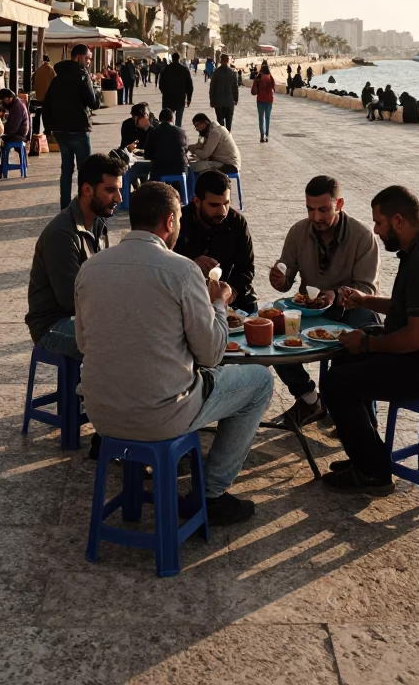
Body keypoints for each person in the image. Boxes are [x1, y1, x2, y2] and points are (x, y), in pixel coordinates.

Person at [74, 181, 273, 525]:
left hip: (102, 413)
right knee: (259, 382)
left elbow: (84, 344)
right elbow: (211, 354)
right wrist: (219, 304)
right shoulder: (182, 270)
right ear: (169, 222)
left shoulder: (90, 268)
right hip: (159, 414)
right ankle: (211, 493)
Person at [320, 185, 419, 494]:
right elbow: (407, 309)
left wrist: (368, 344)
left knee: (336, 383)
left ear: (398, 221)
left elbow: (418, 337)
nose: (376, 231)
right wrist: (366, 301)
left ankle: (374, 472)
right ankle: (365, 453)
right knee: (345, 352)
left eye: (379, 223)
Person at [268, 175, 381, 427]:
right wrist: (279, 277)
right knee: (272, 330)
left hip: (353, 310)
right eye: (310, 209)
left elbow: (367, 289)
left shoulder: (362, 236)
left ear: (339, 204)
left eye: (323, 210)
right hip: (311, 312)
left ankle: (358, 419)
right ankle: (309, 400)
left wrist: (336, 295)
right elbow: (286, 280)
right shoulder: (298, 232)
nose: (316, 217)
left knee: (359, 339)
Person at [26, 153, 122, 360]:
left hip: (82, 317)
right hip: (52, 325)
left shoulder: (98, 222)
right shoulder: (61, 234)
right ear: (87, 190)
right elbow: (71, 300)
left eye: (119, 189)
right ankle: (92, 393)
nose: (119, 198)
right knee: (119, 339)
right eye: (110, 190)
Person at [176, 170, 257, 312]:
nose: (222, 212)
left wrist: (229, 293)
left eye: (226, 203)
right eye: (214, 205)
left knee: (251, 308)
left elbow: (246, 268)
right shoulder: (178, 222)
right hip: (187, 294)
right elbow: (162, 263)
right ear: (196, 201)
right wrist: (191, 264)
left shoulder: (236, 222)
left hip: (229, 295)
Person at [42, 44, 99, 209]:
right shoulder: (82, 75)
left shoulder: (57, 78)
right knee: (85, 171)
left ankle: (65, 207)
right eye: (87, 58)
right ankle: (84, 205)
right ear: (78, 57)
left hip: (60, 131)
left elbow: (47, 104)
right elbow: (93, 103)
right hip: (79, 129)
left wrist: (48, 128)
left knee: (66, 169)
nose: (88, 62)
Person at [143, 107, 188, 181]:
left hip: (160, 171)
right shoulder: (182, 132)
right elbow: (185, 150)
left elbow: (147, 154)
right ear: (172, 119)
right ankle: (187, 192)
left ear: (160, 120)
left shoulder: (154, 132)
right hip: (180, 170)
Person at [158, 52, 194, 127]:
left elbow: (161, 84)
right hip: (180, 98)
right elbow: (189, 85)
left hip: (167, 98)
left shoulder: (166, 69)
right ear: (179, 58)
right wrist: (189, 98)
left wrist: (164, 92)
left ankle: (167, 134)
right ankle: (177, 134)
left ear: (172, 58)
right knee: (178, 120)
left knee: (166, 120)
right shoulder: (184, 70)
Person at [209, 54, 239, 131]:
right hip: (229, 102)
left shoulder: (216, 73)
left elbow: (212, 88)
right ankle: (228, 139)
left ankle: (222, 140)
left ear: (220, 61)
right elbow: (235, 88)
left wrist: (212, 101)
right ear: (228, 61)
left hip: (218, 103)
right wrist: (236, 99)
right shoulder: (232, 73)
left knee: (220, 125)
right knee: (228, 125)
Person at [251, 60, 276, 143]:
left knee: (261, 118)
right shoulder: (270, 77)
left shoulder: (258, 77)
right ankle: (267, 135)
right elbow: (274, 88)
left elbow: (253, 90)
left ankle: (262, 135)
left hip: (260, 100)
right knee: (267, 118)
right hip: (269, 100)